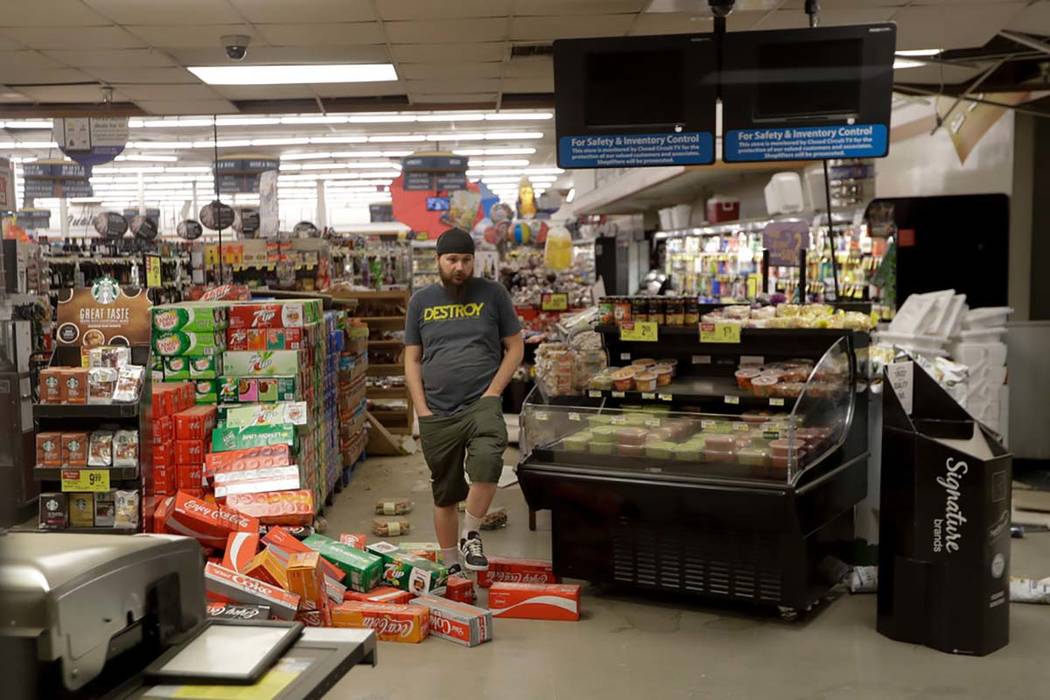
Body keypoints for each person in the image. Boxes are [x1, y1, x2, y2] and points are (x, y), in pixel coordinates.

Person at [404, 228, 524, 572]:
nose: (460, 266)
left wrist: (493, 391)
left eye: (466, 259)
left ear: (475, 260)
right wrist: (421, 410)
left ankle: (471, 534)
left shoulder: (493, 294)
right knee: (445, 491)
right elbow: (411, 358)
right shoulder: (421, 302)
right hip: (437, 411)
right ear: (438, 261)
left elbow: (515, 347)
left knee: (488, 463)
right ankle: (452, 566)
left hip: (480, 404)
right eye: (452, 259)